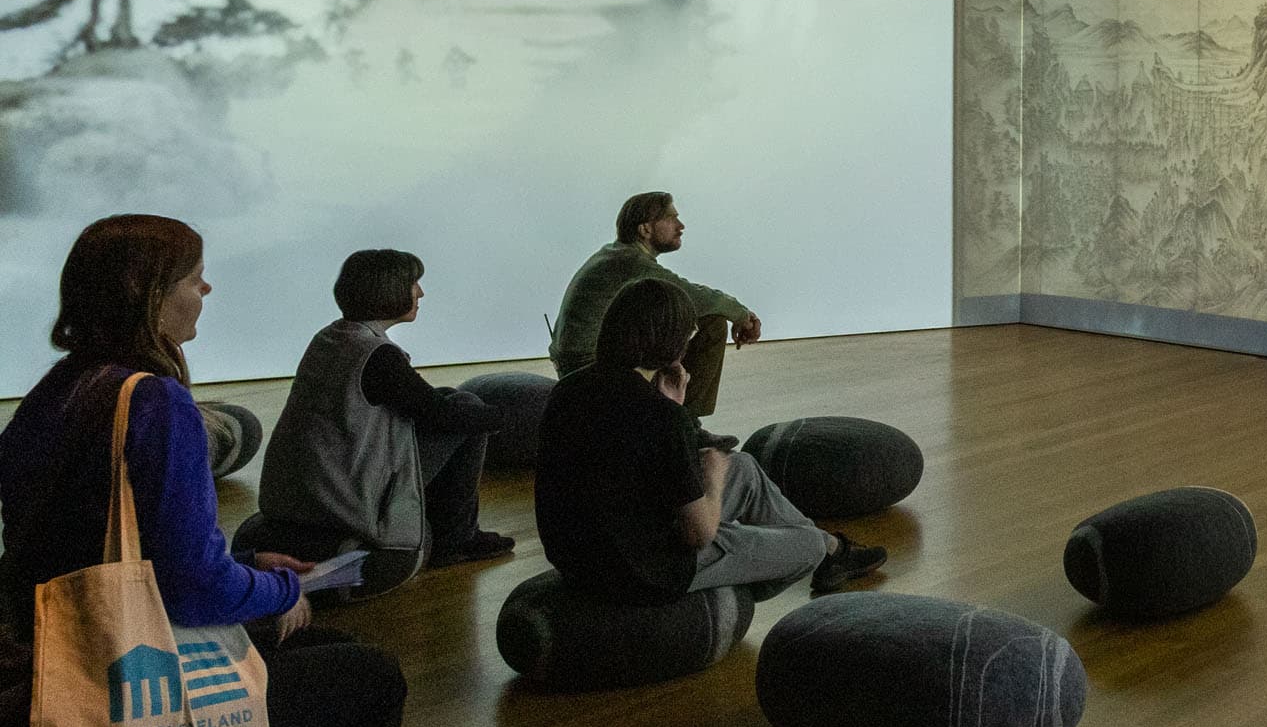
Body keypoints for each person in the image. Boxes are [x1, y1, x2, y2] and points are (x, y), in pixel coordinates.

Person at [0, 215, 407, 727]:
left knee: (326, 652)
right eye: (196, 277)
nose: (206, 290)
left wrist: (246, 563)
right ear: (151, 294)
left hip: (42, 652)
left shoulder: (58, 388)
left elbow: (100, 548)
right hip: (106, 684)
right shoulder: (155, 402)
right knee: (371, 678)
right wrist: (283, 588)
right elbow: (193, 590)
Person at [535, 277, 884, 609]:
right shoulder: (659, 415)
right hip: (642, 573)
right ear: (670, 342)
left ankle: (834, 553)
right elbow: (698, 533)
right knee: (806, 544)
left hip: (576, 555)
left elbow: (631, 462)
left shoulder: (567, 390)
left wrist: (675, 410)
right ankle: (819, 550)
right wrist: (713, 477)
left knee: (744, 467)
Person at [255, 249, 515, 594]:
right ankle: (456, 540)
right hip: (346, 493)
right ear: (388, 291)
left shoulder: (331, 337)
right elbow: (442, 415)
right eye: (413, 284)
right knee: (466, 409)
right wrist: (507, 417)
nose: (420, 293)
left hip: (310, 487)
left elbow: (420, 402)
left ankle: (455, 535)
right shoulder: (378, 356)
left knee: (455, 398)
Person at [550, 192, 759, 433]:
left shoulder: (617, 255)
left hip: (578, 369)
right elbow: (692, 297)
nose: (681, 226)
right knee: (712, 324)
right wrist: (742, 316)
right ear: (645, 229)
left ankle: (679, 419)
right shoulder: (630, 263)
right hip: (590, 371)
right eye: (671, 218)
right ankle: (684, 425)